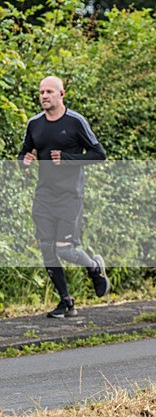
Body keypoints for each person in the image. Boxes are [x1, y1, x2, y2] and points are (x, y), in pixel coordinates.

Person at [18, 76, 110, 318]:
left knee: (66, 250)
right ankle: (66, 301)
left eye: (49, 91)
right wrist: (24, 162)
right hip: (44, 196)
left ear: (62, 94)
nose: (44, 96)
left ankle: (94, 268)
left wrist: (68, 159)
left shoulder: (75, 122)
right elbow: (24, 154)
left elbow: (99, 155)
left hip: (70, 195)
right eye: (41, 92)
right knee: (47, 249)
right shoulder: (34, 124)